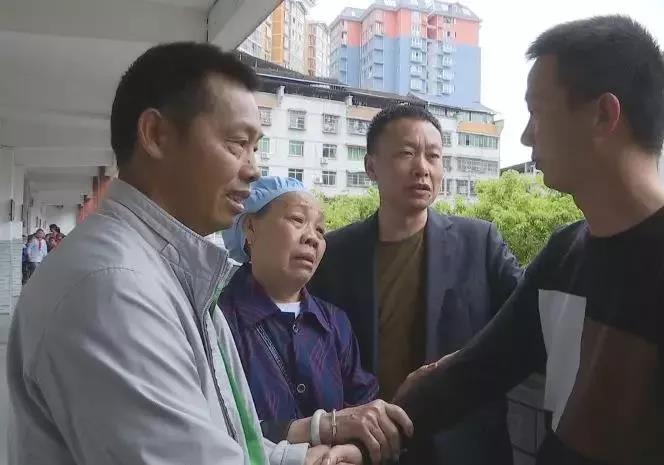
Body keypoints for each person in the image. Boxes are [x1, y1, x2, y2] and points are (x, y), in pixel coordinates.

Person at [8, 42, 362, 465]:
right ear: (156, 135)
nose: (253, 169)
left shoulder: (176, 274)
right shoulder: (113, 287)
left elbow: (228, 439)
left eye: (255, 148)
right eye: (236, 143)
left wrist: (306, 459)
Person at [394, 15, 664, 464]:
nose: (525, 135)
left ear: (603, 115)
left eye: (537, 112)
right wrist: (367, 432)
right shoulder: (565, 253)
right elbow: (480, 368)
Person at [309, 104, 522, 464]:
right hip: (368, 447)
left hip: (464, 449)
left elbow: (531, 317)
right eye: (406, 153)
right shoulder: (334, 254)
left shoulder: (480, 242)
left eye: (433, 156)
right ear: (371, 167)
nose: (422, 168)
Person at [220, 176, 413, 464]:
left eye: (321, 230)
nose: (312, 237)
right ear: (250, 228)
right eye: (297, 220)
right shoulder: (219, 319)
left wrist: (354, 451)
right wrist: (320, 428)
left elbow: (364, 410)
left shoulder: (334, 323)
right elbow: (220, 426)